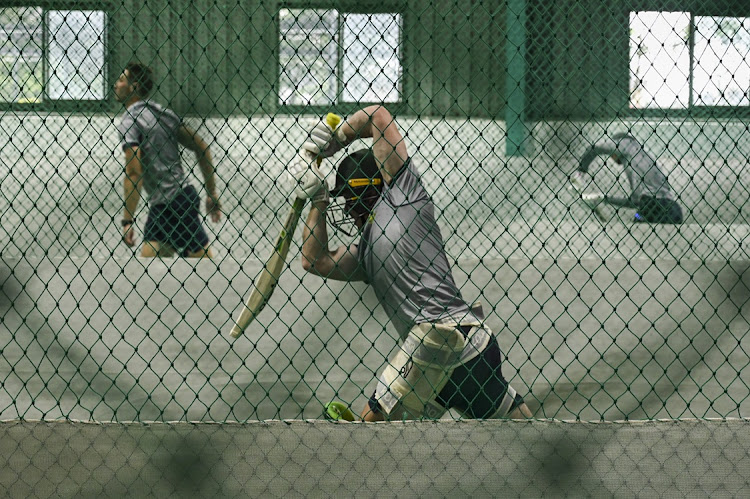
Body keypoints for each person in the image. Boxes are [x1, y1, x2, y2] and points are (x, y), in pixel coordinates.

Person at [288, 105, 533, 421]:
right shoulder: (365, 252)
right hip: (472, 349)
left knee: (370, 428)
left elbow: (378, 115)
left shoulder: (402, 197)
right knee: (521, 425)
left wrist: (338, 137)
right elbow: (314, 260)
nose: (347, 210)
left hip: (439, 340)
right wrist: (317, 200)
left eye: (348, 199)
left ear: (366, 191)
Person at [114, 62, 222, 258]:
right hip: (176, 199)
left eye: (121, 80)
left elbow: (133, 172)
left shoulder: (130, 121)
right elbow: (202, 148)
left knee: (203, 266)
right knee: (151, 260)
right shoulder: (163, 114)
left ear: (134, 87)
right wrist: (211, 193)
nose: (116, 84)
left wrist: (127, 220)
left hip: (172, 203)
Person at [575, 132, 683, 224]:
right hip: (673, 210)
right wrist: (604, 198)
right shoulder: (638, 162)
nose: (611, 157)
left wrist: (580, 172)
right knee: (638, 221)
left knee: (635, 229)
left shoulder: (627, 144)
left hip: (651, 206)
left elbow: (594, 148)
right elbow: (635, 201)